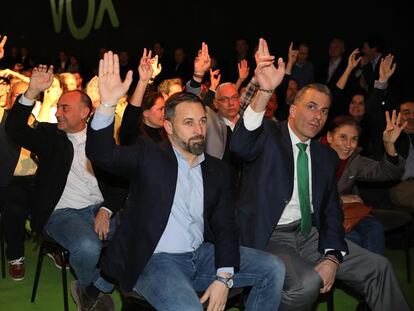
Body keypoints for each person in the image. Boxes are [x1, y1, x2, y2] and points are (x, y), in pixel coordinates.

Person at [85, 51, 286, 311]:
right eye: (188, 123)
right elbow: (102, 154)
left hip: (200, 255)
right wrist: (107, 105)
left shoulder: (217, 171)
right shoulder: (149, 157)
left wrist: (223, 277)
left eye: (202, 121)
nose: (199, 130)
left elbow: (226, 226)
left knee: (273, 267)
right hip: (155, 260)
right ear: (168, 127)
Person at [231, 38, 411, 311]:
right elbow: (240, 145)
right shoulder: (268, 135)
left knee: (379, 266)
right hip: (269, 237)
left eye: (324, 110)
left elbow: (330, 209)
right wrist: (265, 91)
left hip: (309, 235)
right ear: (292, 110)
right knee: (306, 284)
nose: (318, 115)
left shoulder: (325, 155)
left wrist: (332, 256)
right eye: (311, 106)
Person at [5, 64, 122, 310]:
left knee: (139, 232)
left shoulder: (101, 141)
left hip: (99, 209)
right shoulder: (50, 137)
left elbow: (121, 183)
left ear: (85, 112)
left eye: (64, 108)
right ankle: (92, 289)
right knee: (89, 246)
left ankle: (92, 289)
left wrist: (108, 209)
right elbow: (14, 129)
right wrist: (31, 91)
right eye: (58, 107)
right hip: (62, 213)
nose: (58, 113)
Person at [326, 114, 405, 254]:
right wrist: (340, 199)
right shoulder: (312, 155)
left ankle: (373, 275)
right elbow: (308, 196)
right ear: (329, 137)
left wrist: (389, 145)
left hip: (346, 213)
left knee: (375, 228)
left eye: (354, 139)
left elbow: (388, 173)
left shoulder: (355, 161)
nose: (348, 145)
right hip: (318, 216)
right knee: (354, 239)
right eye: (343, 137)